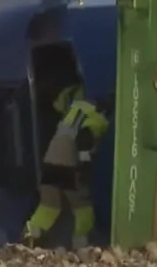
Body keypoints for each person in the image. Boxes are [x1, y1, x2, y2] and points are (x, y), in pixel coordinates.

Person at [23, 85, 111, 248]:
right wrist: (84, 165)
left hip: (50, 160)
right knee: (83, 208)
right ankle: (81, 245)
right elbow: (84, 139)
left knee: (49, 205)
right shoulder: (99, 118)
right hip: (69, 164)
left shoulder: (78, 108)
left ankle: (30, 237)